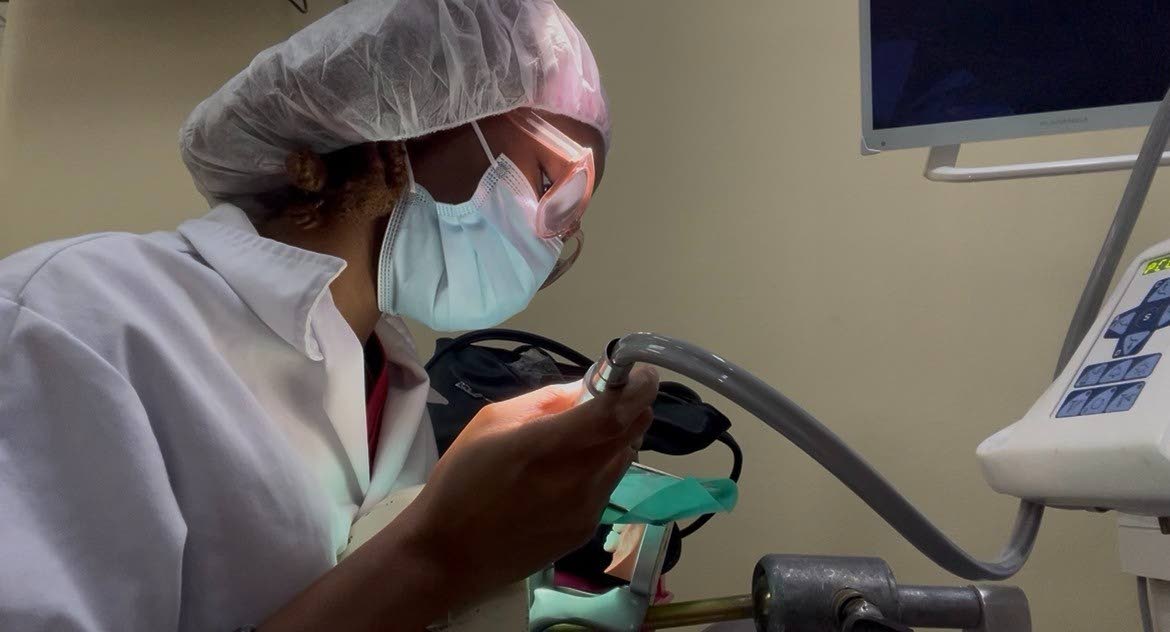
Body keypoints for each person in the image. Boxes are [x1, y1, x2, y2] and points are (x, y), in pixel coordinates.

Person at [0, 1, 659, 630]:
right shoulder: (76, 320)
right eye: (551, 185)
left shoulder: (394, 397)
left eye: (568, 231)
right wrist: (436, 558)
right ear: (410, 116)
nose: (547, 246)